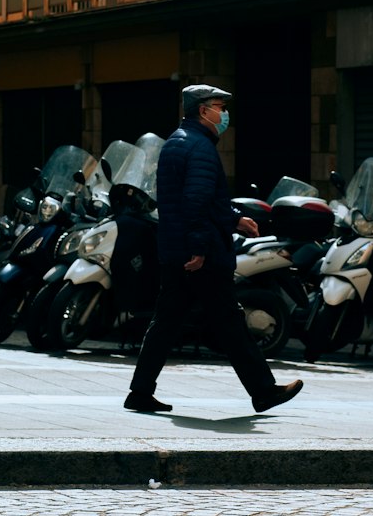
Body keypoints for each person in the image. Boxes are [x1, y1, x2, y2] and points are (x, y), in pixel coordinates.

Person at [124, 84, 303, 415]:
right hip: (199, 254)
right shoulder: (200, 147)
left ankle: (140, 391)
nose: (224, 115)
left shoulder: (177, 142)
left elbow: (197, 200)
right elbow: (195, 202)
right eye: (220, 107)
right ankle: (263, 390)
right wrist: (200, 247)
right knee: (230, 323)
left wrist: (236, 219)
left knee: (166, 323)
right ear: (203, 110)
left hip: (177, 249)